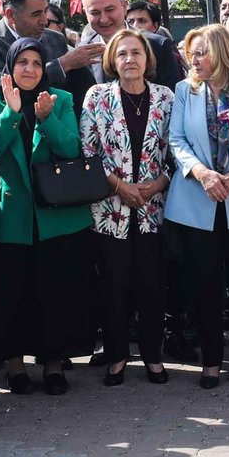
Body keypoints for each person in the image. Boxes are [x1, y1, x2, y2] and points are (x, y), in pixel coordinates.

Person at [0, 38, 94, 396]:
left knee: (55, 294)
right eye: (22, 62)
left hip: (55, 217)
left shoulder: (62, 99)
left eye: (37, 63)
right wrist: (12, 115)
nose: (29, 69)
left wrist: (46, 121)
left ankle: (54, 365)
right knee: (11, 295)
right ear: (9, 66)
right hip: (11, 216)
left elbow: (71, 148)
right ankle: (14, 366)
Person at [166, 25, 229, 389]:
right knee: (205, 284)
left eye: (201, 52)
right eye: (191, 53)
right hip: (197, 199)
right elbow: (176, 139)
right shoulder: (184, 90)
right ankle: (210, 360)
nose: (194, 59)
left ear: (222, 51)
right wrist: (202, 174)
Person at [81, 29, 175, 386]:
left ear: (147, 58)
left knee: (152, 285)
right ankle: (118, 355)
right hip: (110, 208)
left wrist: (156, 185)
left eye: (136, 52)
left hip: (154, 205)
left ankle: (153, 356)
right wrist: (120, 186)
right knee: (114, 286)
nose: (129, 60)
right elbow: (87, 151)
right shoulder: (97, 96)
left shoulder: (166, 97)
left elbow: (176, 150)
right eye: (121, 54)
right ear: (112, 61)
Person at [67, 0, 185, 105]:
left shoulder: (157, 46)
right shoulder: (82, 52)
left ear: (124, 7)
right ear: (85, 13)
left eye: (109, 10)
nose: (104, 19)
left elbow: (172, 103)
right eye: (95, 12)